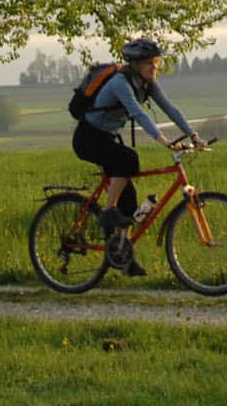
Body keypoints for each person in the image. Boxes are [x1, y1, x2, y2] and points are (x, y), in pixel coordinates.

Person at [72, 36, 201, 272]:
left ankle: (123, 257)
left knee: (130, 202)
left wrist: (192, 134)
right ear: (135, 65)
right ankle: (108, 213)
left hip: (106, 137)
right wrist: (164, 141)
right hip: (88, 138)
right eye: (149, 64)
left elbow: (170, 108)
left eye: (157, 63)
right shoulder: (120, 83)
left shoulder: (148, 84)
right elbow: (138, 114)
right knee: (128, 159)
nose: (155, 68)